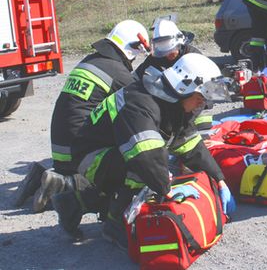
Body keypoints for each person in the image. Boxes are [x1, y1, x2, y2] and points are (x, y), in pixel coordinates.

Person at [52, 53, 236, 247]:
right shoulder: (140, 102)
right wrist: (168, 189)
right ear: (184, 87)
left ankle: (74, 202)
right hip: (90, 155)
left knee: (153, 172)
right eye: (200, 98)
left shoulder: (173, 103)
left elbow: (190, 146)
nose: (203, 104)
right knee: (142, 174)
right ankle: (115, 226)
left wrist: (220, 179)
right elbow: (145, 158)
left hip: (113, 152)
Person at [15, 21, 150, 212]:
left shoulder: (91, 60)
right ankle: (62, 184)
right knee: (124, 165)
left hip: (60, 148)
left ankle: (40, 177)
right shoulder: (118, 73)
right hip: (77, 152)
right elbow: (140, 105)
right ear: (133, 48)